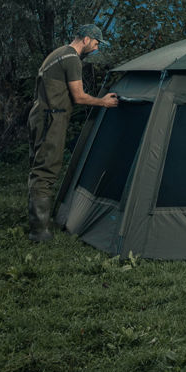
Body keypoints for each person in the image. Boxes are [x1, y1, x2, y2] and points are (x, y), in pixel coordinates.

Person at [27, 24, 119, 242]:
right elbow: (78, 96)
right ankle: (39, 232)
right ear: (86, 39)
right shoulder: (71, 59)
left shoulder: (58, 53)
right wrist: (103, 102)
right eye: (96, 43)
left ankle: (39, 224)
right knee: (46, 171)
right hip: (52, 117)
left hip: (39, 115)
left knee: (38, 168)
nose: (96, 48)